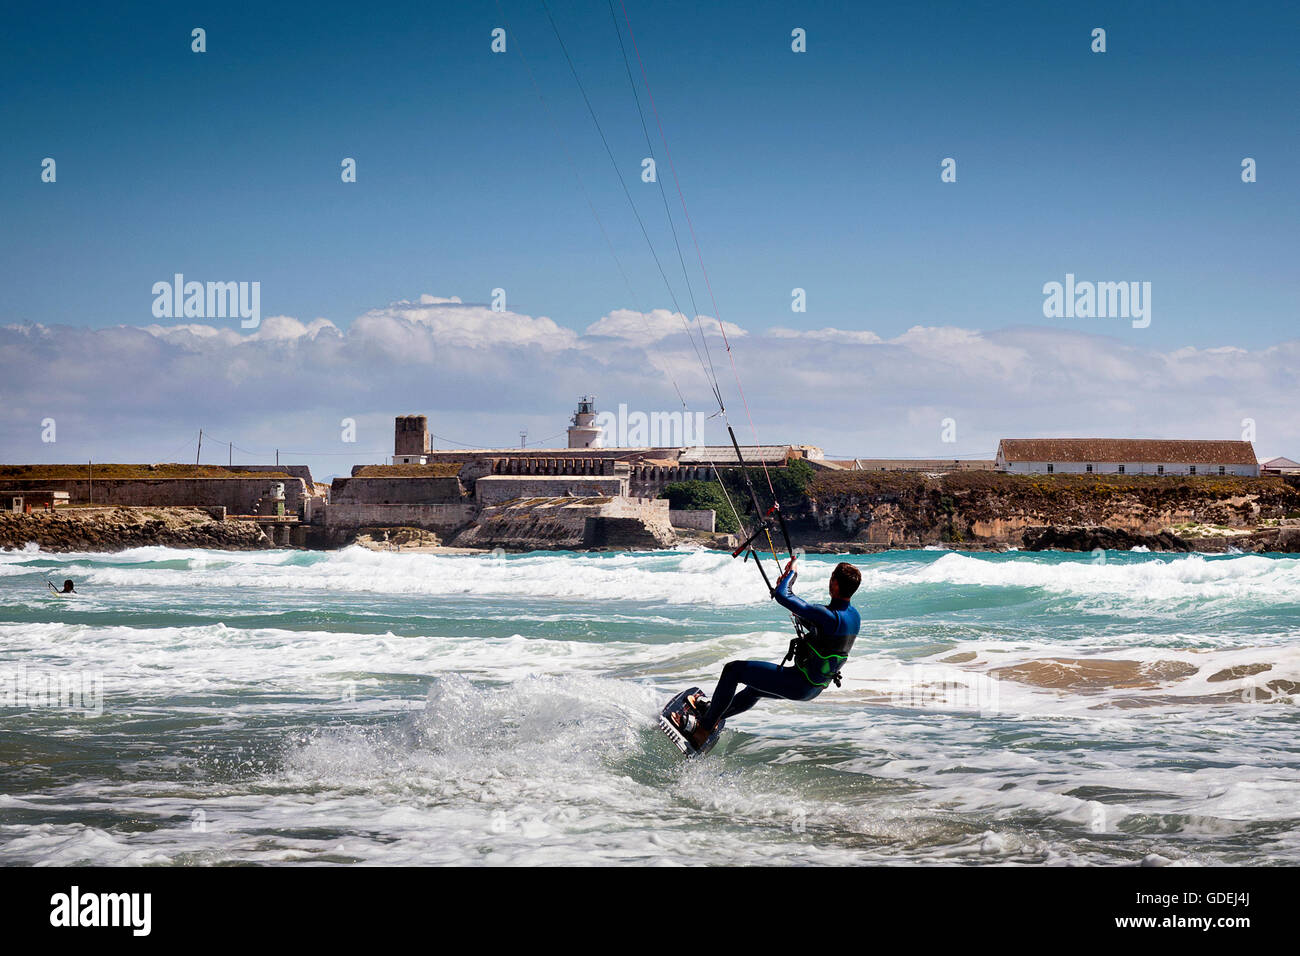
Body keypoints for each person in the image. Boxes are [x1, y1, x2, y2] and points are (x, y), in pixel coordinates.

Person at [672, 558, 862, 749]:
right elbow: (820, 628)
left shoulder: (828, 616)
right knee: (754, 690)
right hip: (813, 689)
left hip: (798, 682)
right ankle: (713, 714)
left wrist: (791, 574)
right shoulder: (853, 617)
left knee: (733, 671)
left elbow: (783, 596)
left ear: (834, 583)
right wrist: (792, 601)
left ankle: (702, 729)